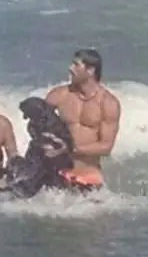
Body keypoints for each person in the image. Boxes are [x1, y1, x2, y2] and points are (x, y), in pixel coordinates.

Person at [44, 48, 121, 191]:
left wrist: (69, 149)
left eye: (75, 65)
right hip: (59, 174)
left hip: (89, 178)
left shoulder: (108, 103)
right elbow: (38, 125)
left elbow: (106, 147)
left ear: (90, 70)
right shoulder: (59, 95)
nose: (70, 68)